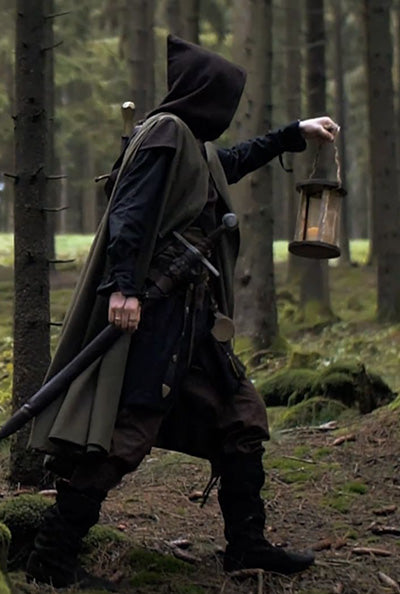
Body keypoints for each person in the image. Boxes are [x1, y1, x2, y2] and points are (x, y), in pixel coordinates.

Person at [26, 35, 339, 590]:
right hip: (157, 316)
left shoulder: (195, 145)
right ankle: (51, 558)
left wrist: (296, 133)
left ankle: (246, 545)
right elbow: (129, 212)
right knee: (125, 434)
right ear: (203, 94)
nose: (228, 111)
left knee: (242, 418)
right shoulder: (165, 133)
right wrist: (123, 289)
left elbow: (231, 161)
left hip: (195, 320)